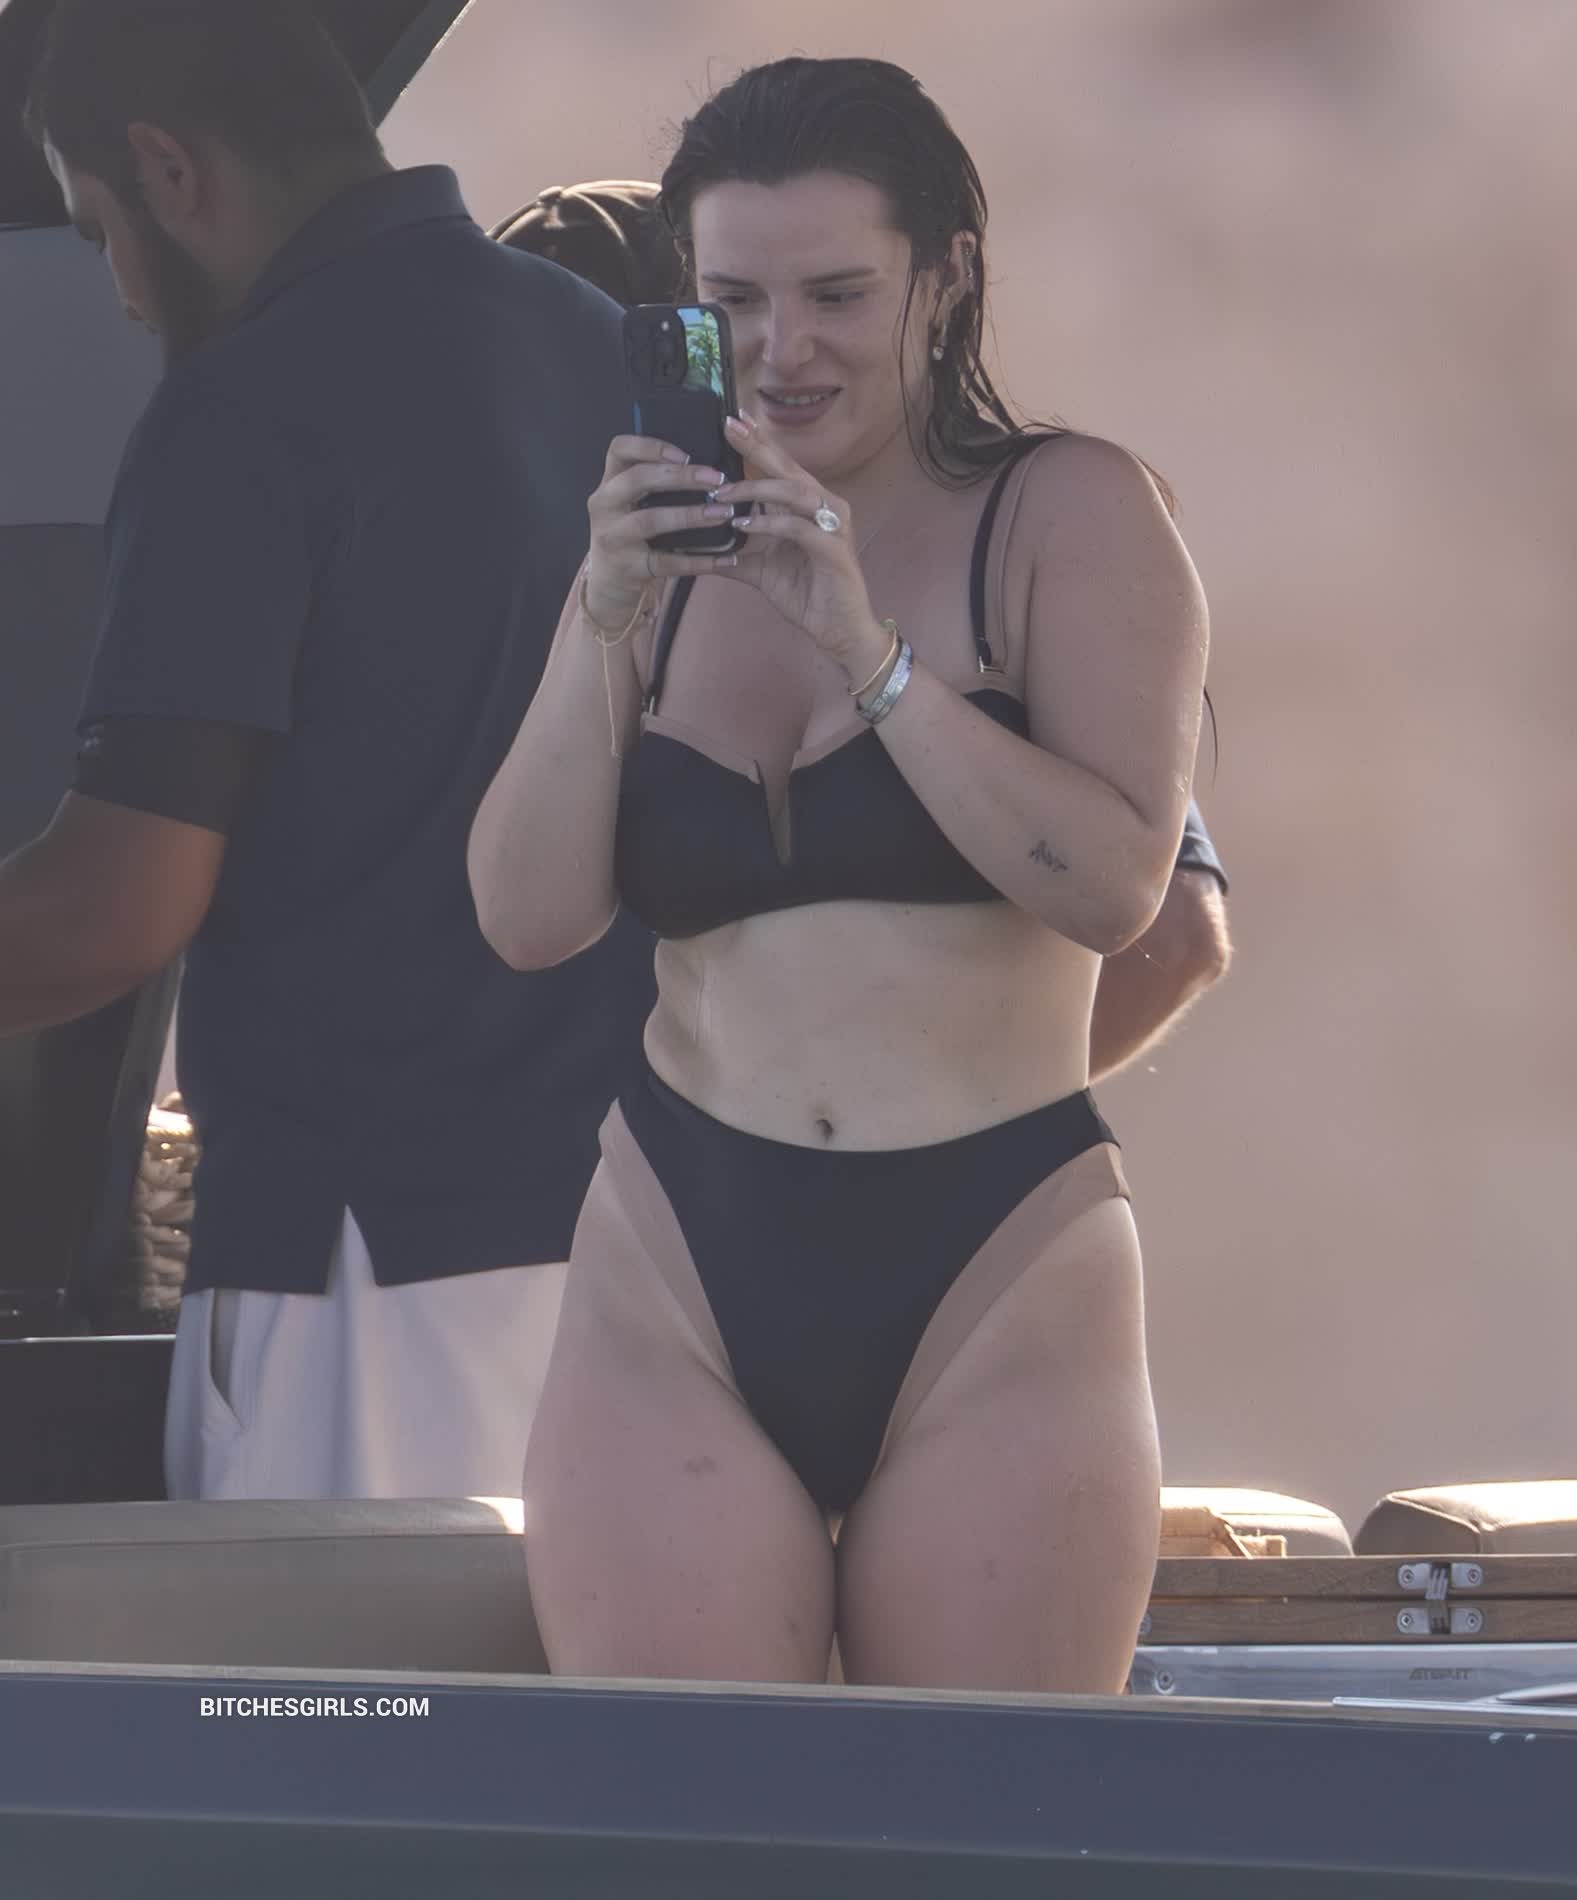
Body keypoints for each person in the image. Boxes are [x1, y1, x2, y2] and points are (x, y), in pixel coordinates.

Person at [471, 56, 1210, 1693]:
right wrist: (599, 615)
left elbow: (1118, 889)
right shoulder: (656, 548)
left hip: (992, 1260)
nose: (780, 347)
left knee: (975, 1811)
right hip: (679, 1243)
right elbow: (524, 917)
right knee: (672, 1803)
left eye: (835, 295)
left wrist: (869, 657)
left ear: (943, 281)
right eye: (731, 300)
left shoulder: (1066, 513)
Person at [4, 0, 654, 1500]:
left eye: (99, 231)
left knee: (322, 1658)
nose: (118, 294)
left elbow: (117, 905)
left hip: (366, 1276)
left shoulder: (240, 410)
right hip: (638, 1251)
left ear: (169, 170)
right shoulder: (598, 345)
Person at [493, 179, 1232, 1086]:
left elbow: (1170, 924)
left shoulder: (901, 560)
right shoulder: (584, 580)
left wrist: (949, 1125)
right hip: (622, 1156)